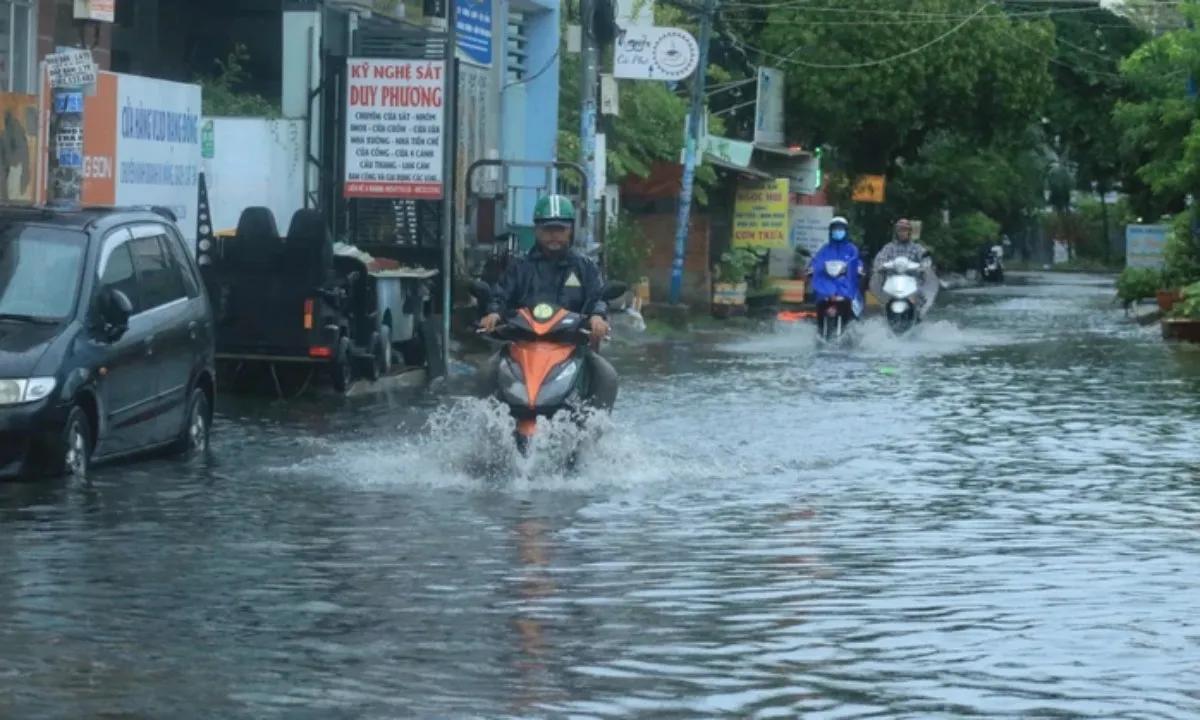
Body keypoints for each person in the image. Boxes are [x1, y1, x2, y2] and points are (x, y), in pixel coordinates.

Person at [477, 194, 618, 408]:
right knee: (486, 372)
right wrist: (494, 312)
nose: (554, 236)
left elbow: (597, 296)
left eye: (560, 229)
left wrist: (597, 316)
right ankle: (487, 423)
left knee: (607, 376)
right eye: (548, 230)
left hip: (571, 343)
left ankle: (596, 427)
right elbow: (501, 293)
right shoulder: (520, 265)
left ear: (571, 230)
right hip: (523, 341)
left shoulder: (585, 266)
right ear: (537, 230)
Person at [870, 218, 938, 312]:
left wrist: (924, 267)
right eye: (900, 230)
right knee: (881, 291)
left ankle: (920, 311)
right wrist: (880, 266)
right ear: (896, 231)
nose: (902, 232)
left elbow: (925, 258)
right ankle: (885, 308)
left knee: (921, 293)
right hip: (892, 282)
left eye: (905, 230)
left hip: (912, 282)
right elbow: (880, 259)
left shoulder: (916, 248)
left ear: (909, 232)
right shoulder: (889, 247)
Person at [807, 215, 865, 317]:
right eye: (835, 229)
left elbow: (856, 260)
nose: (837, 231)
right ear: (831, 231)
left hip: (844, 284)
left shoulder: (851, 249)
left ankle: (852, 324)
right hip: (827, 284)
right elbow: (817, 260)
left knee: (851, 300)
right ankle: (820, 327)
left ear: (846, 231)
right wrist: (811, 268)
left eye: (840, 229)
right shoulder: (825, 248)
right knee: (820, 301)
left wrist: (859, 268)